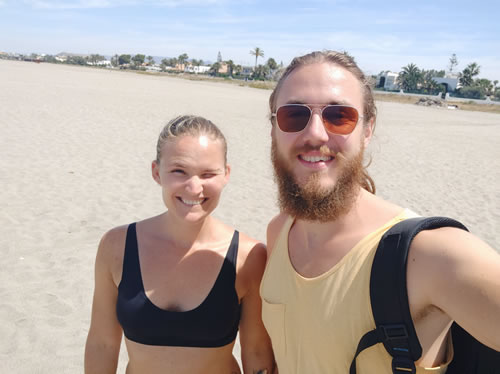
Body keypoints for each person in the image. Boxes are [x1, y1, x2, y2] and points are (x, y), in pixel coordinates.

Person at [260, 51, 500, 373]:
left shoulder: (430, 255)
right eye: (294, 115)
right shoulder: (278, 233)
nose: (315, 133)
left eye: (339, 115)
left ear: (368, 130)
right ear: (274, 129)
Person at [85, 115, 274, 374]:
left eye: (208, 174)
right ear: (156, 172)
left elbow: (256, 352)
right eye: (179, 171)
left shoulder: (248, 256)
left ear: (226, 175)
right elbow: (102, 344)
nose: (194, 188)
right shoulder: (116, 246)